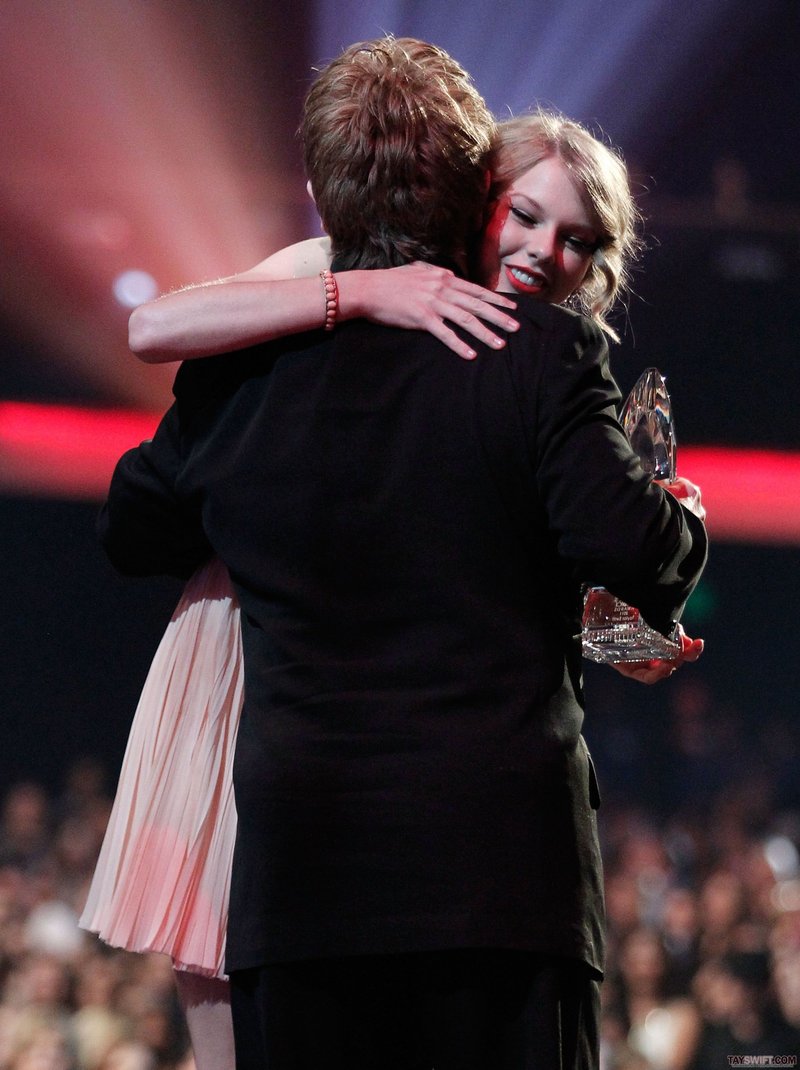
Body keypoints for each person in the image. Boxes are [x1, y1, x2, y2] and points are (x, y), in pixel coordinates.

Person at [91, 36, 707, 1068]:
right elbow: (629, 546)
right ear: (475, 186)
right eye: (524, 213)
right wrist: (673, 518)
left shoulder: (254, 365)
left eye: (574, 239)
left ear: (315, 184)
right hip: (499, 882)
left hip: (305, 883)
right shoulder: (543, 358)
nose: (543, 251)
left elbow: (131, 522)